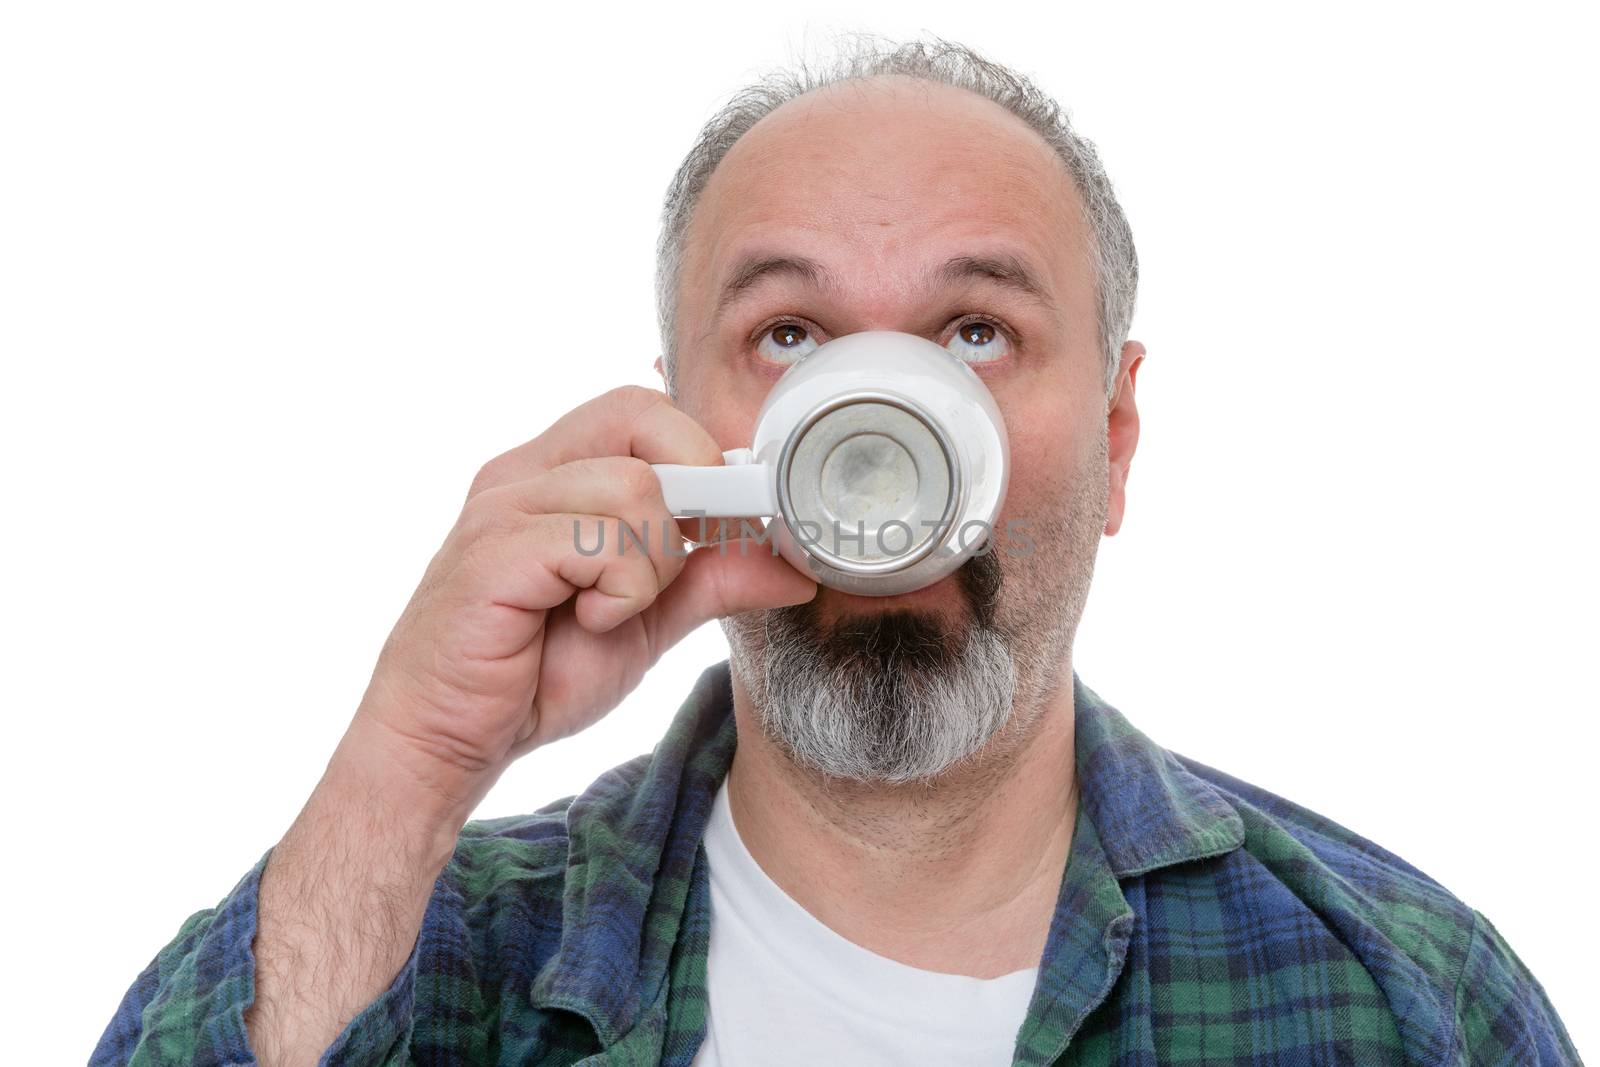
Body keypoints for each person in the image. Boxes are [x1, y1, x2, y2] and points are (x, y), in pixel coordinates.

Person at [93, 33, 1580, 1067]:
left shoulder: (1406, 1004)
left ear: (1118, 438)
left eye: (975, 332)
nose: (875, 426)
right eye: (791, 337)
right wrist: (409, 756)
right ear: (681, 426)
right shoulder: (440, 964)